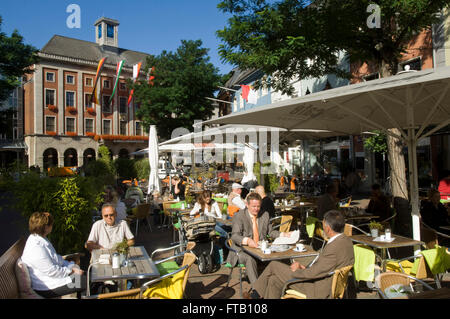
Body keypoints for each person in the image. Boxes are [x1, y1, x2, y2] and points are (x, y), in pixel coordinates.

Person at [246, 210, 354, 299]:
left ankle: (255, 295)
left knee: (274, 265)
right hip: (325, 281)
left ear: (328, 228)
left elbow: (315, 273)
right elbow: (323, 268)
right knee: (274, 280)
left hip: (319, 289)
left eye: (323, 225)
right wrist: (302, 266)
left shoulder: (333, 247)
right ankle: (256, 295)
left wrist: (299, 270)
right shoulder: (346, 241)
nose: (322, 228)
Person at [227, 192, 293, 284]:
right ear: (247, 205)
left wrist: (284, 234)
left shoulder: (264, 214)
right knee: (251, 259)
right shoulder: (239, 216)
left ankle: (286, 283)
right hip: (241, 250)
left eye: (258, 206)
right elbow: (234, 236)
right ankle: (256, 290)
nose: (256, 209)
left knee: (284, 256)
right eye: (254, 206)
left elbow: (270, 233)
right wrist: (247, 240)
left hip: (260, 249)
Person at [21, 212, 86, 298]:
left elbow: (56, 258)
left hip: (53, 279)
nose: (52, 226)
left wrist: (71, 266)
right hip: (46, 287)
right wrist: (72, 271)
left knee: (87, 276)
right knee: (86, 281)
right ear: (46, 227)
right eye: (51, 224)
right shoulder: (36, 247)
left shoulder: (41, 239)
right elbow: (51, 271)